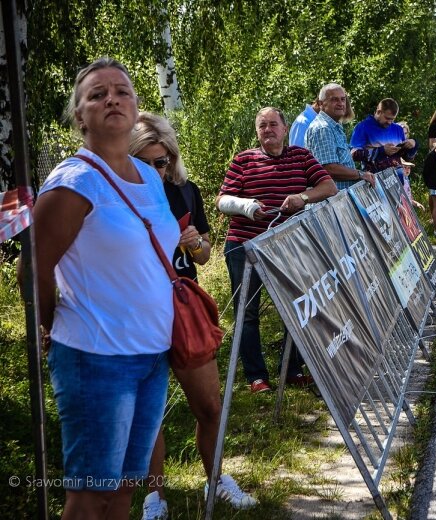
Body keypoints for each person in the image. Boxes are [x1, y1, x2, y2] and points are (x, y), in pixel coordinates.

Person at [28, 57, 177, 520]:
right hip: (96, 359)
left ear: (136, 109)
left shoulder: (149, 174)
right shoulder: (74, 183)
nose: (112, 98)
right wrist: (50, 326)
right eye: (97, 94)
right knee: (91, 496)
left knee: (127, 488)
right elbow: (32, 270)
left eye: (122, 91)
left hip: (152, 356)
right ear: (80, 115)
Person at [129, 113, 256, 519]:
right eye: (145, 161)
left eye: (162, 161)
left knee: (210, 406)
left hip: (182, 307)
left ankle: (216, 479)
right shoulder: (118, 195)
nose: (155, 169)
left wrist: (196, 241)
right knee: (148, 413)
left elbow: (203, 253)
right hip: (135, 312)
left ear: (172, 158)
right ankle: (155, 497)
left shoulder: (185, 192)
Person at [219, 107, 338, 394]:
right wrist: (247, 207)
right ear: (257, 132)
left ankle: (292, 369)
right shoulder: (243, 160)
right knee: (246, 312)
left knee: (298, 305)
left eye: (273, 124)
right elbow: (221, 200)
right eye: (262, 126)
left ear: (285, 129)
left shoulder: (301, 156)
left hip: (288, 245)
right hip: (244, 245)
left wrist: (302, 197)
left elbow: (329, 187)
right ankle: (256, 377)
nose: (268, 130)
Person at [305, 83, 375, 190]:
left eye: (343, 99)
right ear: (321, 104)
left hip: (339, 201)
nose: (341, 103)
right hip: (330, 203)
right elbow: (329, 168)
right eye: (334, 100)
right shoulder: (323, 128)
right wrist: (361, 174)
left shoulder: (334, 125)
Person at [349, 98, 418, 180]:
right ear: (378, 112)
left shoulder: (398, 129)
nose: (390, 122)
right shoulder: (362, 127)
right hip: (375, 181)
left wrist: (414, 144)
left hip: (398, 181)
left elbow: (407, 158)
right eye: (387, 118)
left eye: (392, 119)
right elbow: (353, 155)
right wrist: (381, 151)